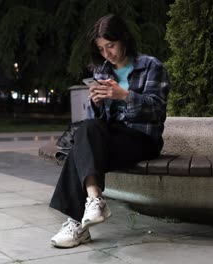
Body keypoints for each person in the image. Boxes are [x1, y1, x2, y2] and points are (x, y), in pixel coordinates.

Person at [49, 14, 170, 248]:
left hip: (143, 139)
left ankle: (76, 223)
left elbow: (157, 110)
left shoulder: (151, 66)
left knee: (78, 151)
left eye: (111, 46)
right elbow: (96, 123)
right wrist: (95, 103)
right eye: (102, 49)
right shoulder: (102, 71)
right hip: (114, 137)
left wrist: (124, 96)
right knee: (86, 131)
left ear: (124, 39)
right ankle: (95, 200)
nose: (107, 54)